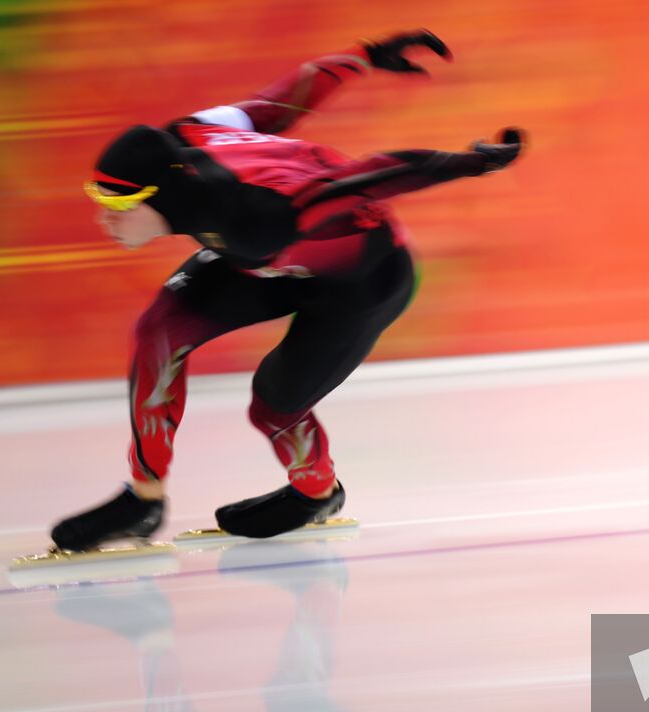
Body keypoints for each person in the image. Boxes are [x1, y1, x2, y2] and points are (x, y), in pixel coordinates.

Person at [51, 30, 525, 551]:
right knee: (157, 333)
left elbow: (366, 177)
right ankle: (143, 499)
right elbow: (273, 105)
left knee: (275, 404)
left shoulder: (256, 216)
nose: (104, 220)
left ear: (158, 197)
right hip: (265, 263)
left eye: (117, 208)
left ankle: (315, 491)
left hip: (362, 279)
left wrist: (471, 162)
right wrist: (362, 56)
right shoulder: (185, 136)